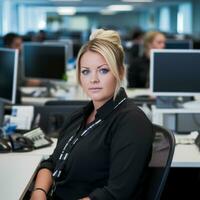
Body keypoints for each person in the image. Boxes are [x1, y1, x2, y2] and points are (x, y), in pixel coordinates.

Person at [30, 29, 154, 200]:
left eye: (103, 70)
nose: (93, 79)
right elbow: (52, 162)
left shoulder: (131, 122)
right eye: (85, 71)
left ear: (120, 72)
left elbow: (115, 194)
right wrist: (39, 192)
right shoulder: (79, 116)